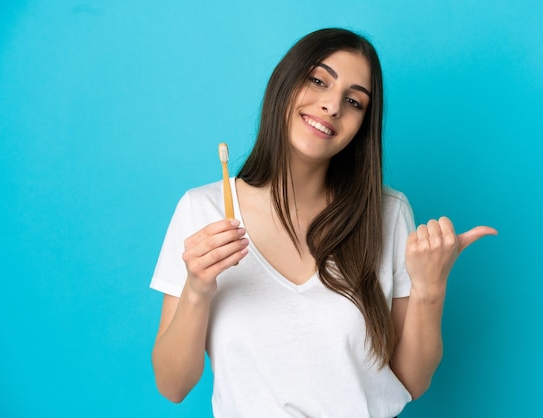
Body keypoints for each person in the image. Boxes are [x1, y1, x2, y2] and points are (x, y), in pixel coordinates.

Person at [150, 27, 497, 417]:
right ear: (285, 82)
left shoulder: (388, 213)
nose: (333, 106)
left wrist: (430, 287)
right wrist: (197, 288)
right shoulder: (203, 209)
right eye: (318, 80)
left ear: (363, 125)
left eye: (354, 101)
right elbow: (172, 385)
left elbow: (410, 381)